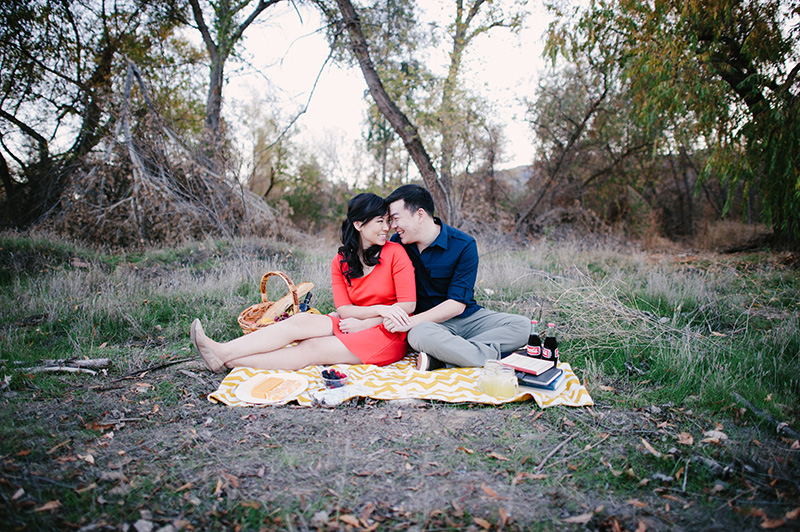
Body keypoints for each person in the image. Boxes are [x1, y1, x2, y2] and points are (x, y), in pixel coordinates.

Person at [190, 193, 416, 372]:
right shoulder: (341, 261)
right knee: (299, 322)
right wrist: (376, 311)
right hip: (352, 321)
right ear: (358, 224)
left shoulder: (395, 252)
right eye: (380, 221)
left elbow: (407, 306)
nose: (387, 228)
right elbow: (344, 310)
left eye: (387, 221)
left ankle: (228, 360)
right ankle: (222, 351)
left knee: (313, 347)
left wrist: (370, 320)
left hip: (388, 332)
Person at [383, 184, 530, 370]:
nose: (392, 226)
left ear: (420, 215)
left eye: (395, 218)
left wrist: (409, 322)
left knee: (523, 327)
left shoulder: (463, 245)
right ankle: (481, 355)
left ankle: (444, 359)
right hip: (428, 323)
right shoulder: (397, 245)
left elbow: (456, 304)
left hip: (467, 318)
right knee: (418, 335)